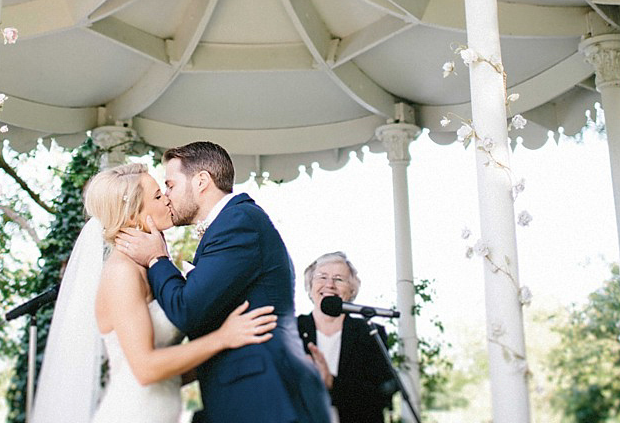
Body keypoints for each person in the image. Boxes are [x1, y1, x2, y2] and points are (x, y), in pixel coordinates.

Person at [31, 162, 278, 423]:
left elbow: (171, 373)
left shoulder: (149, 267)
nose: (168, 199)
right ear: (131, 216)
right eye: (158, 196)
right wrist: (223, 337)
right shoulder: (121, 273)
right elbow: (146, 369)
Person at [116, 141, 330, 423]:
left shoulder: (238, 222)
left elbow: (187, 309)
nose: (167, 197)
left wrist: (157, 258)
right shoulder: (229, 226)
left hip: (267, 401)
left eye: (170, 185)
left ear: (201, 181)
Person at [297, 252, 396, 423]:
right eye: (322, 277)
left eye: (339, 279)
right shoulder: (290, 331)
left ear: (351, 291)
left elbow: (382, 394)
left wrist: (331, 382)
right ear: (310, 286)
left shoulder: (369, 333)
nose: (329, 285)